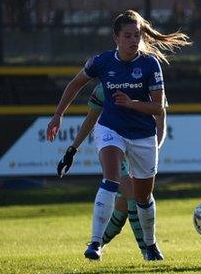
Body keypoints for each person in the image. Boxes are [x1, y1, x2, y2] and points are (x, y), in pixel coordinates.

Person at [47, 10, 189, 261]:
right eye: (128, 36)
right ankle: (95, 244)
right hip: (111, 129)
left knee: (143, 198)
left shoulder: (150, 64)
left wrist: (132, 103)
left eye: (137, 35)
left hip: (142, 134)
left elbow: (158, 109)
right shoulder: (101, 62)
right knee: (111, 180)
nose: (134, 40)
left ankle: (150, 245)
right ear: (116, 38)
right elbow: (75, 84)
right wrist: (58, 115)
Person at [57, 83, 168, 259]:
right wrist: (72, 149)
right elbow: (91, 119)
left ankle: (98, 244)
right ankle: (148, 251)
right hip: (115, 145)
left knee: (122, 208)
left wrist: (154, 150)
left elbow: (160, 123)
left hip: (141, 146)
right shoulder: (103, 88)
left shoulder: (151, 82)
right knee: (132, 195)